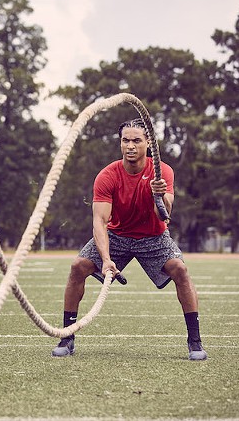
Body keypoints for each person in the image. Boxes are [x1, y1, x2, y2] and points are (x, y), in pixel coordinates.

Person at [51, 118, 207, 361]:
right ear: (120, 143)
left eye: (137, 140)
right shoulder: (107, 175)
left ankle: (195, 341)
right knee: (77, 267)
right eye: (125, 140)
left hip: (153, 237)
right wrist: (105, 259)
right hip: (117, 236)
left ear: (149, 143)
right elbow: (100, 222)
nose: (130, 146)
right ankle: (67, 337)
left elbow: (164, 215)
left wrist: (160, 196)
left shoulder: (162, 171)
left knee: (180, 270)